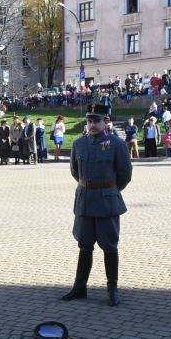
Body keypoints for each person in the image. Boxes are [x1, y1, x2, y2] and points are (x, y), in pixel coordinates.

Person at [60, 105, 132, 306]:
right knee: (84, 245)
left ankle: (112, 288)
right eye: (89, 121)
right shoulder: (78, 143)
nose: (92, 125)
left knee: (109, 246)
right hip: (84, 200)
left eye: (96, 121)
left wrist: (108, 190)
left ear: (106, 122)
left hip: (106, 201)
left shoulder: (117, 145)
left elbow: (125, 175)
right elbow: (75, 171)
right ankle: (79, 286)